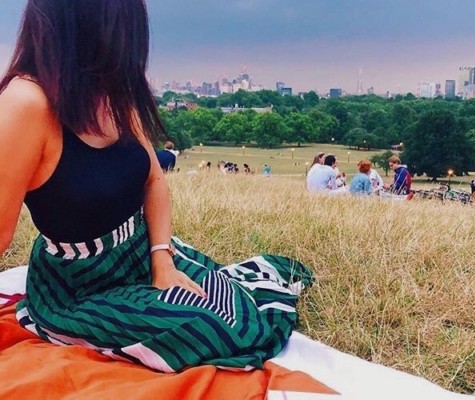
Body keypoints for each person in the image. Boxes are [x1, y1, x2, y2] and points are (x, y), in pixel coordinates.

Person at [0, 0, 312, 374]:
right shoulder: (26, 103)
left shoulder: (113, 94)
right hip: (78, 285)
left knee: (240, 308)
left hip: (141, 251)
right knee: (217, 329)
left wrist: (161, 259)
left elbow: (154, 180)